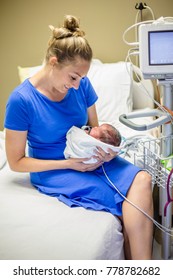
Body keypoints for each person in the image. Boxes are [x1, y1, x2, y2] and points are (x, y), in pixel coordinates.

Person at [4, 15, 153, 260]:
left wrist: (104, 150)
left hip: (90, 156)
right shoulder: (22, 101)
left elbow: (95, 128)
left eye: (81, 79)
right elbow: (16, 162)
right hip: (55, 168)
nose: (77, 86)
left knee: (143, 180)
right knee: (129, 205)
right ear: (54, 62)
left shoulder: (81, 85)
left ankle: (143, 269)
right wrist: (70, 164)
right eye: (73, 77)